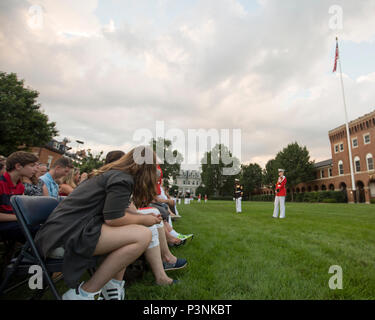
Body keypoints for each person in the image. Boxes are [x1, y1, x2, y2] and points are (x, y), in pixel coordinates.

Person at [34, 146, 161, 300]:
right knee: (142, 235)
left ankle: (112, 286)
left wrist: (140, 219)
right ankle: (84, 294)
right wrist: (144, 219)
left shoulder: (114, 175)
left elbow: (115, 214)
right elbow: (114, 219)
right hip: (62, 238)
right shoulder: (121, 179)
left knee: (132, 231)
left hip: (66, 230)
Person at [0, 151, 39, 242]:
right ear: (18, 166)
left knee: (42, 226)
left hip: (12, 223)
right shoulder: (1, 184)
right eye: (32, 165)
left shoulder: (20, 186)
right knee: (35, 230)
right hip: (4, 225)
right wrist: (19, 217)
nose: (35, 169)